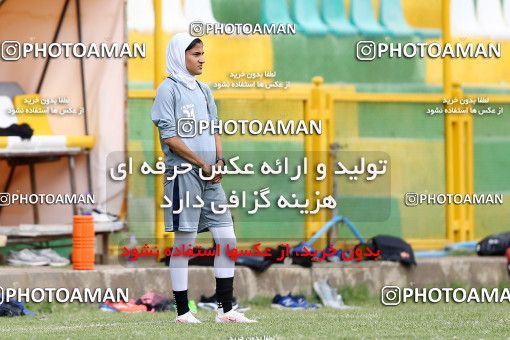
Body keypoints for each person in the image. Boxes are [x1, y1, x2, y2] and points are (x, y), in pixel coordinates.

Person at [151, 33, 256, 324]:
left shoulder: (204, 90)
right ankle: (183, 312)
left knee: (227, 239)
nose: (202, 59)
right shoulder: (167, 90)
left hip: (211, 177)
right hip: (184, 176)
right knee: (184, 242)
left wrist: (218, 162)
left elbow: (214, 129)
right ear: (179, 56)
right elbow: (170, 138)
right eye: (196, 54)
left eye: (202, 53)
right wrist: (201, 164)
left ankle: (226, 309)